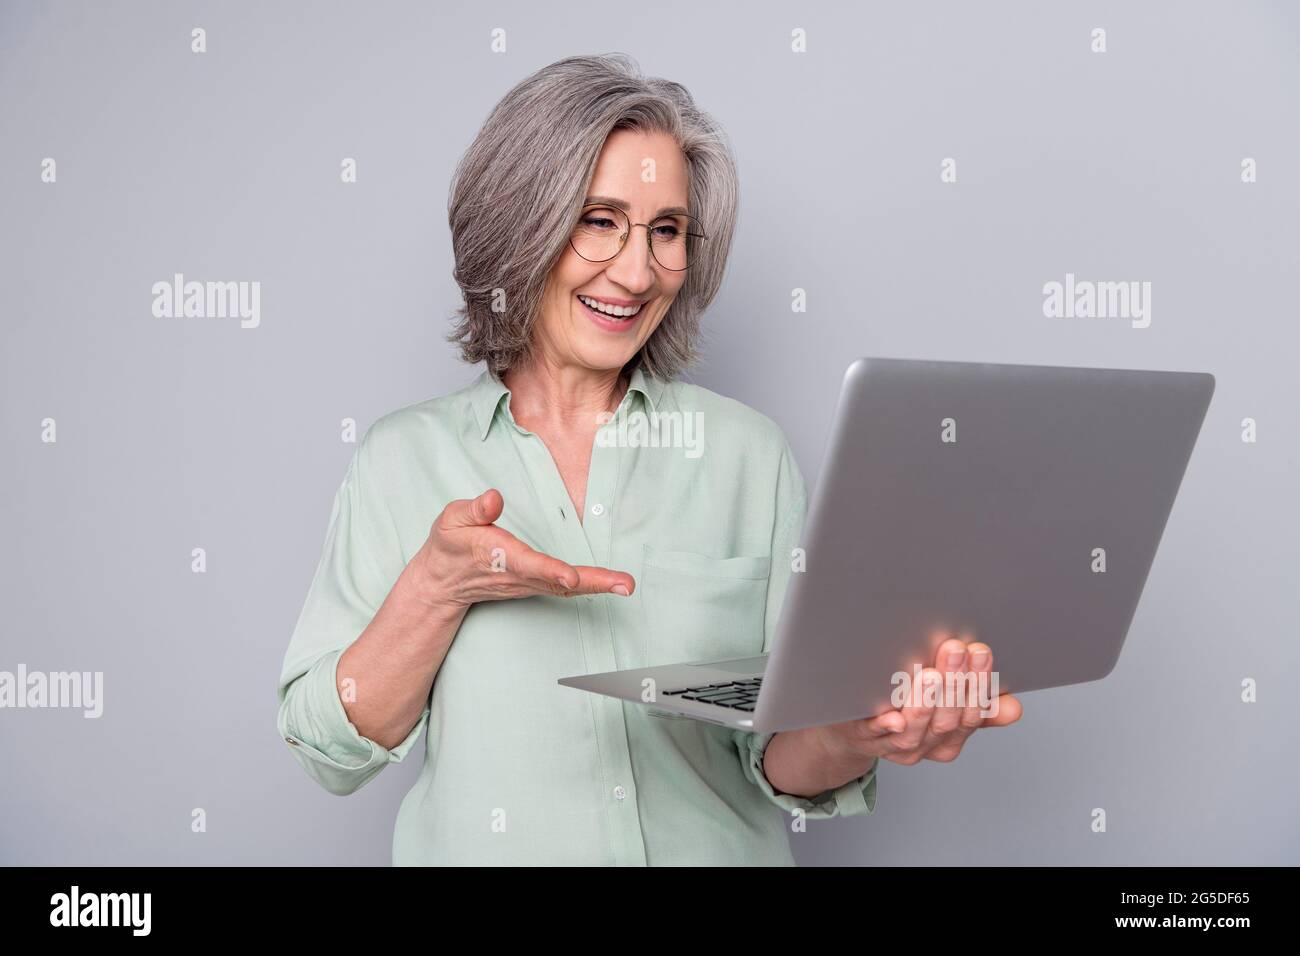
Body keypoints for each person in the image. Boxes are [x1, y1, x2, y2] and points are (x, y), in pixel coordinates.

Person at [276, 53, 1022, 866]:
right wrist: (435, 589)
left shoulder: (748, 457)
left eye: (665, 230)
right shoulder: (401, 459)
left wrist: (856, 731)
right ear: (519, 221)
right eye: (599, 219)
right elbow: (328, 750)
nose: (637, 273)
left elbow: (776, 753)